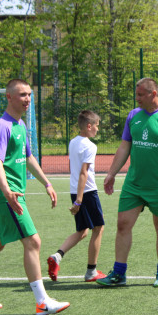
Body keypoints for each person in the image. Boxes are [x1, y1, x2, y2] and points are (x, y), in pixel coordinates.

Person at [0, 79, 70, 315]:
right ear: (9, 97)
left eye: (29, 95)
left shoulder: (21, 124)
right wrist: (7, 192)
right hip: (8, 196)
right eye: (22, 95)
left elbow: (28, 158)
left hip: (13, 194)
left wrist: (47, 183)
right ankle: (42, 302)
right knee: (33, 241)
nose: (27, 99)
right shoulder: (1, 127)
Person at [98, 78, 158, 287]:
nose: (136, 98)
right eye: (136, 94)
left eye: (140, 95)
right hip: (134, 184)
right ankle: (119, 273)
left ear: (153, 94)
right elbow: (124, 147)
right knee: (122, 225)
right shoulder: (133, 116)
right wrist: (111, 173)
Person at [47, 110, 106, 283]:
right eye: (96, 126)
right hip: (86, 192)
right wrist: (79, 201)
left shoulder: (73, 142)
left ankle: (57, 256)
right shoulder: (90, 146)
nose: (97, 129)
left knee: (82, 231)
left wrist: (77, 197)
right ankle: (91, 272)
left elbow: (74, 169)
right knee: (98, 228)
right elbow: (83, 173)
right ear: (89, 126)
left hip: (75, 190)